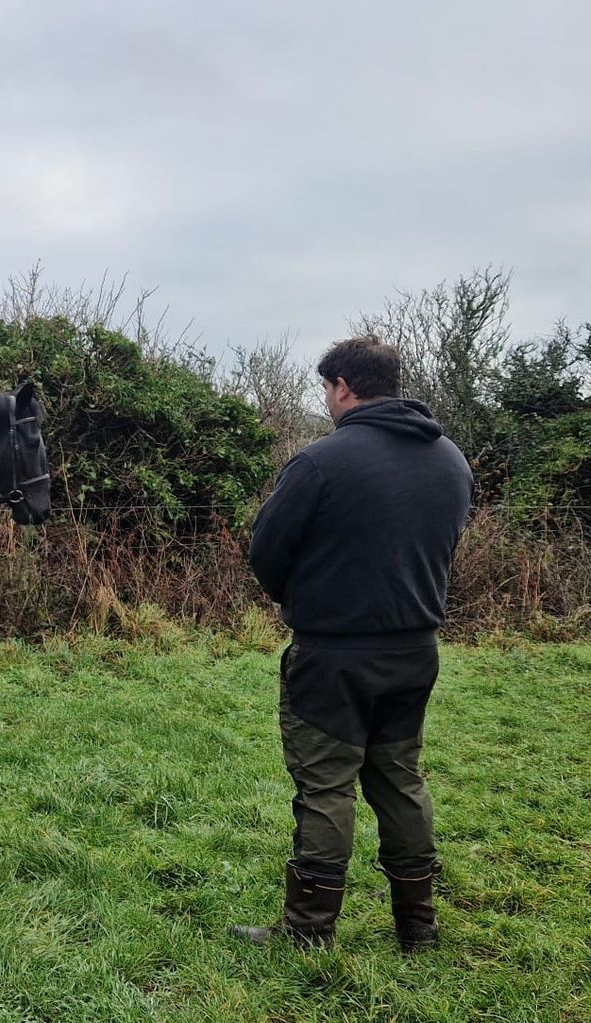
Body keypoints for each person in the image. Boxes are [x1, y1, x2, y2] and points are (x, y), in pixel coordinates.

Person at [233, 334, 473, 951]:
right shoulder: (451, 461)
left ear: (343, 386)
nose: (326, 402)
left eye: (325, 390)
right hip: (416, 651)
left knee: (326, 788)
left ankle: (309, 931)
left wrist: (303, 598)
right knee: (400, 781)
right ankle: (418, 928)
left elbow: (266, 552)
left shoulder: (321, 462)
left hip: (333, 657)